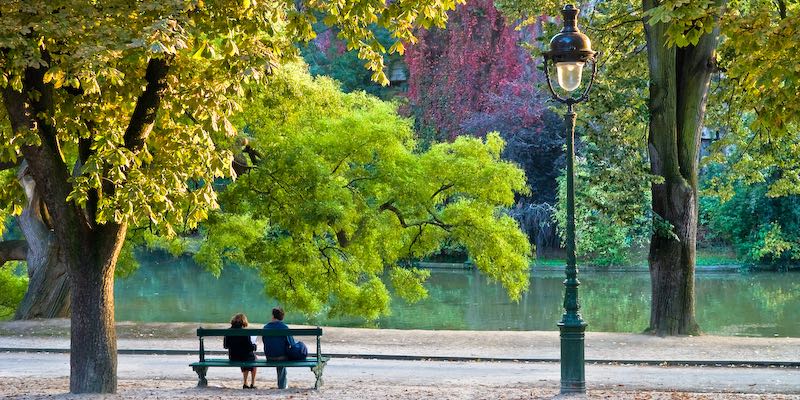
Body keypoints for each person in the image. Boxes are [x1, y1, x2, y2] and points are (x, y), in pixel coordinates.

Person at [262, 306, 295, 389]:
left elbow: (264, 341)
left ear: (273, 316)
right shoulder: (285, 328)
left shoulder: (266, 327)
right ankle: (282, 385)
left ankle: (282, 385)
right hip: (281, 357)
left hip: (269, 356)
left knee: (278, 351)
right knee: (282, 356)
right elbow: (292, 343)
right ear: (282, 317)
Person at [223, 313, 258, 389]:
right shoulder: (245, 332)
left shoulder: (228, 331)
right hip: (244, 357)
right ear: (243, 321)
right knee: (254, 358)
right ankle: (252, 383)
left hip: (233, 357)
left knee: (247, 357)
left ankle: (245, 383)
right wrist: (254, 346)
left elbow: (225, 346)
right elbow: (250, 348)